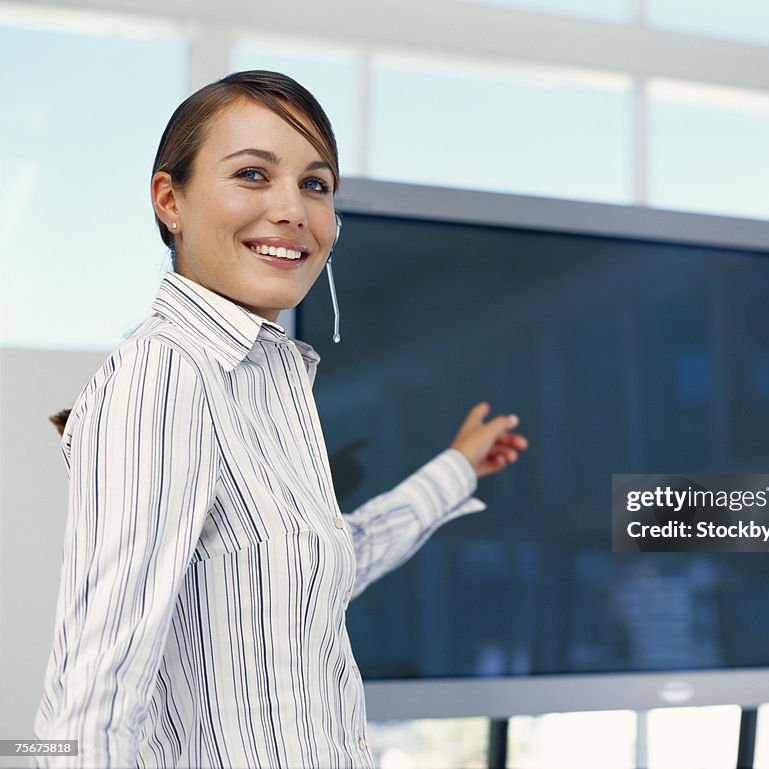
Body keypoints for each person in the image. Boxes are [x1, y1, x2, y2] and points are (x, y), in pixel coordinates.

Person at [34, 70, 528, 768]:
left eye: (315, 185)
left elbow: (314, 566)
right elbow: (92, 702)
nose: (292, 209)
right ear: (169, 200)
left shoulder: (266, 385)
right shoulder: (166, 374)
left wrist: (455, 469)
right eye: (252, 174)